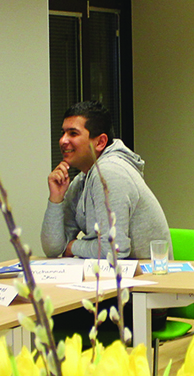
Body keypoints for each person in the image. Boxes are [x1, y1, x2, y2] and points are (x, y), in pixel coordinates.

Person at [42, 100, 169, 260]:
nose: (62, 140)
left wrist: (73, 246)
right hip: (112, 272)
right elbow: (53, 248)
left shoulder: (109, 173)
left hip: (145, 274)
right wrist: (56, 199)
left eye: (73, 133)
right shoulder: (82, 180)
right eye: (63, 133)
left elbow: (114, 250)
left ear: (100, 142)